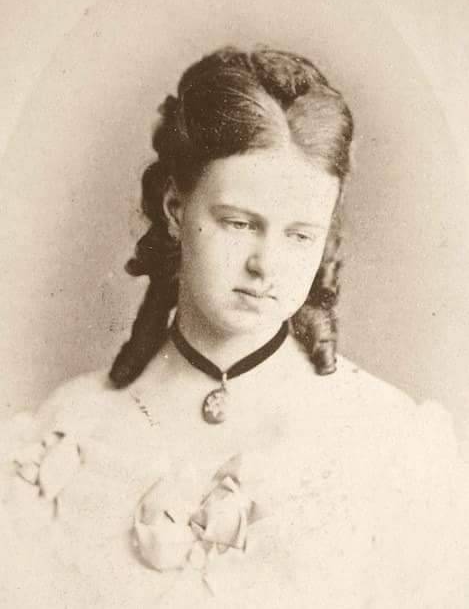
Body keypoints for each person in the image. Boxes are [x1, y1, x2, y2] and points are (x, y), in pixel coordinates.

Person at [1, 46, 468, 608]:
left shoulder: (387, 441)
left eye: (300, 235)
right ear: (176, 209)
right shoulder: (66, 434)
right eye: (240, 223)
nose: (265, 265)